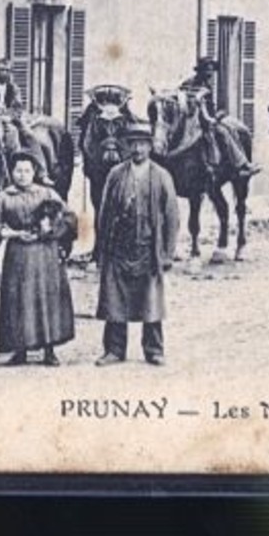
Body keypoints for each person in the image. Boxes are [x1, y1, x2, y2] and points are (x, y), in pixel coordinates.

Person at [93, 122, 180, 366]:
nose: (138, 149)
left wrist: (167, 253)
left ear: (150, 147)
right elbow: (103, 213)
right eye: (133, 144)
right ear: (127, 146)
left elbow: (172, 216)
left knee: (150, 300)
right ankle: (114, 350)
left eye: (142, 144)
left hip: (148, 247)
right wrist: (102, 248)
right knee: (114, 299)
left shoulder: (162, 176)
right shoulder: (116, 174)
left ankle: (153, 350)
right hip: (118, 246)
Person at [0, 151, 76, 366]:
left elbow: (69, 217)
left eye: (27, 170)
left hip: (45, 253)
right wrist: (15, 234)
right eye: (18, 170)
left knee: (47, 298)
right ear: (11, 172)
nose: (22, 175)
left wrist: (49, 229)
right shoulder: (2, 197)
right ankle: (20, 350)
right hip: (18, 255)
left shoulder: (47, 194)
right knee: (19, 300)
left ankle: (49, 349)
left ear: (34, 172)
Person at [180, 57, 259, 178]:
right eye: (207, 70)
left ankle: (238, 164)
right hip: (197, 121)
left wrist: (217, 114)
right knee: (223, 132)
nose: (210, 73)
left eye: (211, 71)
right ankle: (241, 163)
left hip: (209, 117)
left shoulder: (206, 83)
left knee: (234, 127)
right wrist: (211, 117)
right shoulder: (190, 84)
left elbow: (210, 106)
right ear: (200, 71)